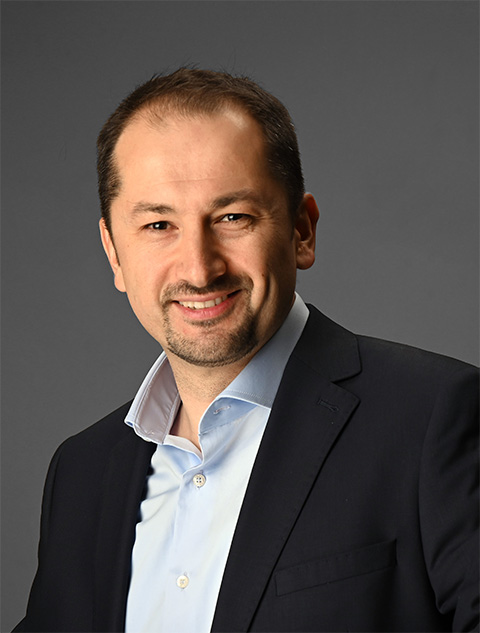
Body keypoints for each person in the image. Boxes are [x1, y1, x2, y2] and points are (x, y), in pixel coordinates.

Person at [14, 68, 478, 633]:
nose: (199, 268)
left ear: (301, 232)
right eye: (159, 224)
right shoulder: (81, 473)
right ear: (114, 254)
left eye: (233, 218)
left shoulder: (437, 418)